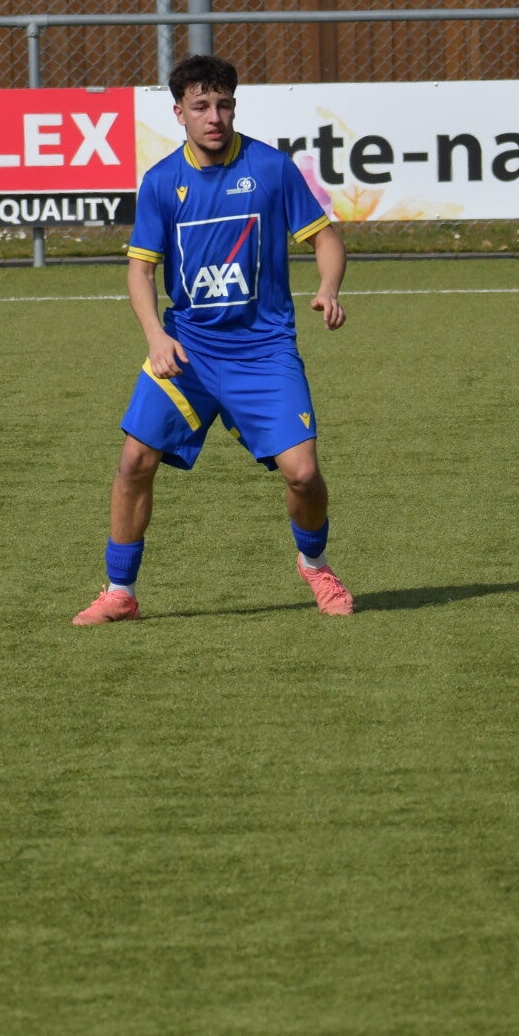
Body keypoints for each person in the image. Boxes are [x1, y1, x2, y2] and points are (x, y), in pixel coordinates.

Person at [73, 55, 353, 624]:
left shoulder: (271, 169)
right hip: (188, 352)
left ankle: (316, 565)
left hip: (264, 352)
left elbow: (326, 240)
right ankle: (120, 592)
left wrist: (328, 288)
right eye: (201, 106)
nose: (215, 117)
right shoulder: (161, 183)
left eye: (223, 104)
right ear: (179, 113)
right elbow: (140, 271)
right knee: (134, 461)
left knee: (303, 475)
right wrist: (156, 336)